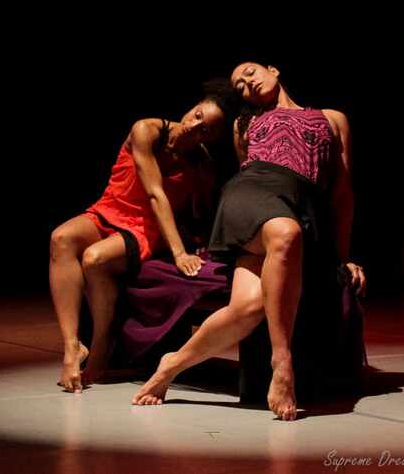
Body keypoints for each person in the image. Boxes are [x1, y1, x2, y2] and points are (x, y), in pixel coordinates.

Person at [131, 62, 367, 420]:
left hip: (297, 204)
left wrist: (345, 255)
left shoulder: (333, 118)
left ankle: (171, 364)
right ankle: (282, 361)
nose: (246, 83)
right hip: (251, 194)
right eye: (239, 85)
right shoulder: (248, 123)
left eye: (250, 73)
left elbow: (342, 193)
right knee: (285, 234)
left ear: (274, 69)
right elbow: (248, 170)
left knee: (250, 307)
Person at [49, 79, 236, 393]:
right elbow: (153, 192)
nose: (195, 126)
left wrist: (189, 248)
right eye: (198, 115)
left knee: (95, 258)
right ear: (193, 106)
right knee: (61, 238)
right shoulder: (148, 130)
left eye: (207, 129)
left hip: (148, 228)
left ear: (215, 138)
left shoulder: (201, 162)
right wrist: (179, 253)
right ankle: (71, 346)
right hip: (111, 209)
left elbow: (199, 208)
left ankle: (102, 342)